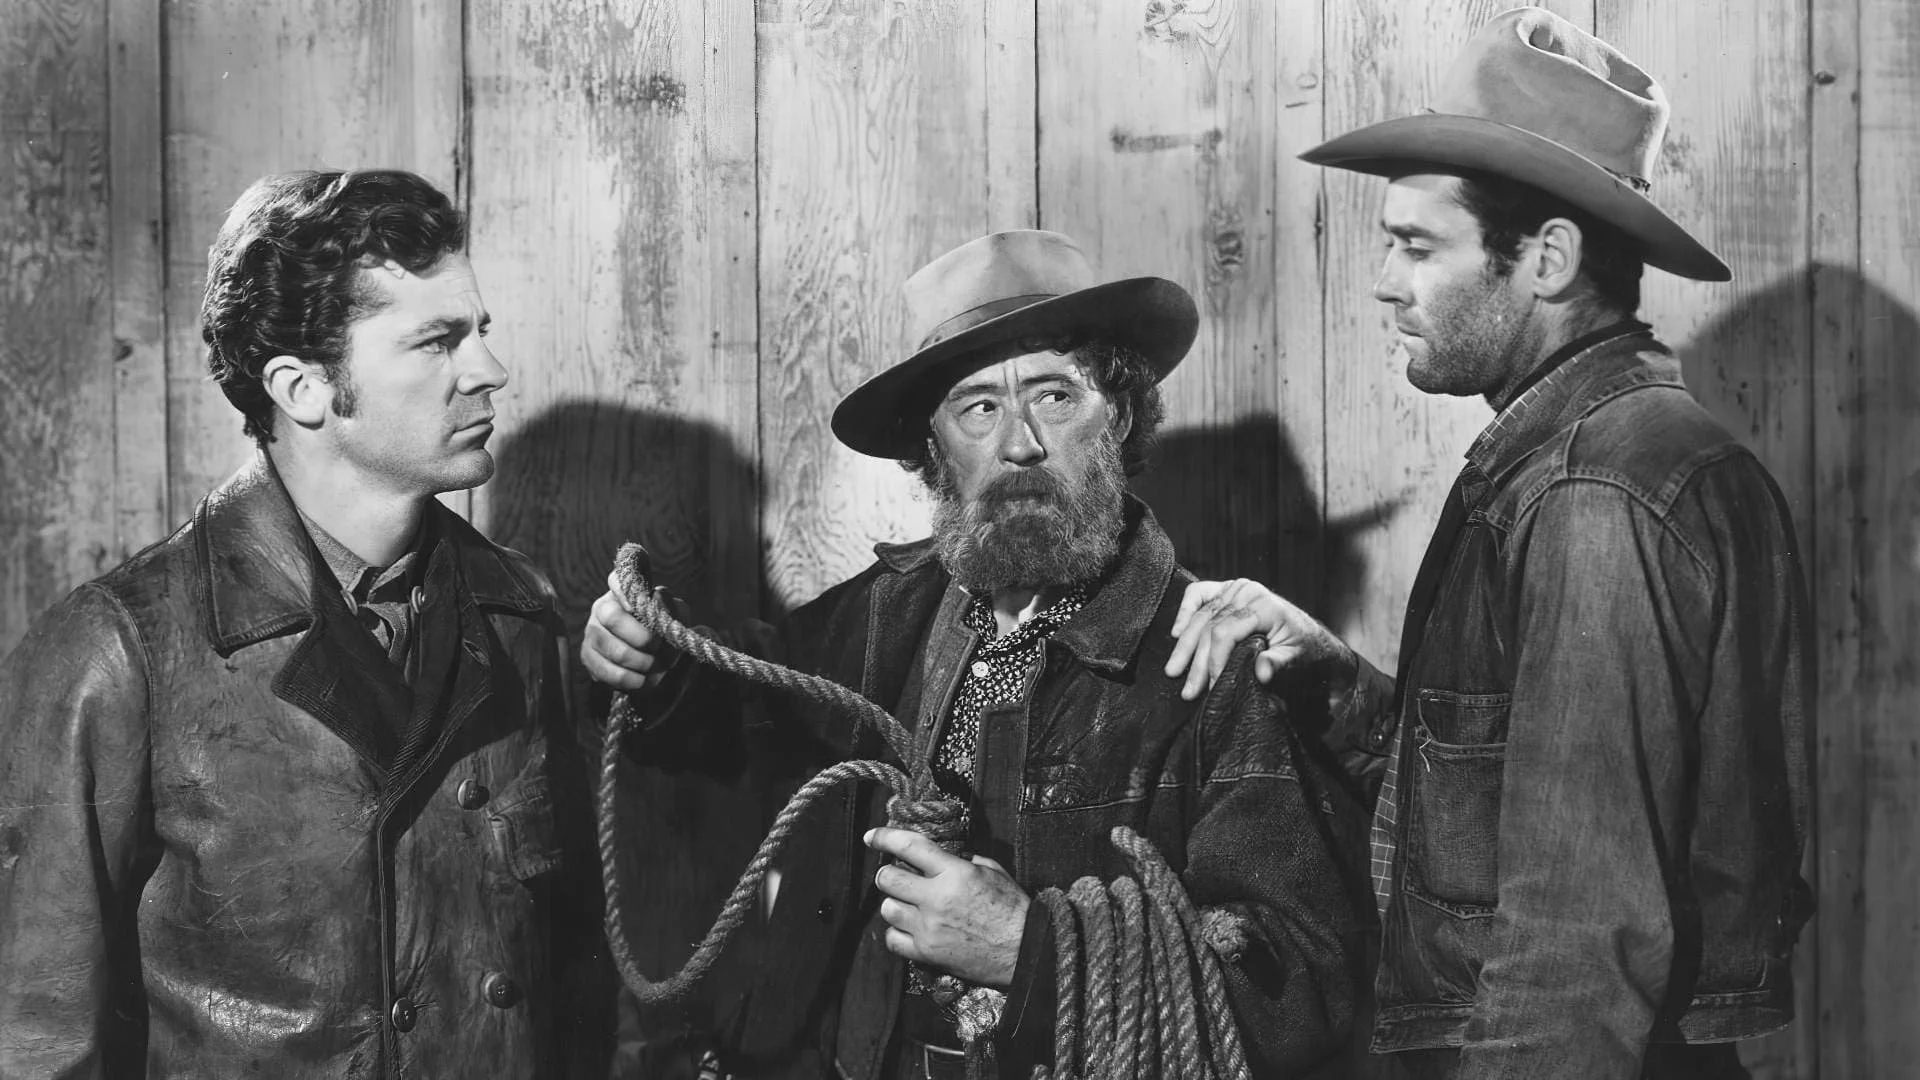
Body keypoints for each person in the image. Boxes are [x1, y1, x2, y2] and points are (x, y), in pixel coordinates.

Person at [1165, 9, 1813, 1078]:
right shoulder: (1594, 457)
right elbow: (1516, 797)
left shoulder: (1593, 492)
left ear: (1547, 259)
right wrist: (1336, 684)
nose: (1386, 281)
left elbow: (1577, 940)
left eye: (1418, 246)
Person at [583, 230, 1366, 1078]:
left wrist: (1027, 950)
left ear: (1119, 415)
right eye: (979, 408)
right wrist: (650, 664)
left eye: (1055, 396)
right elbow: (745, 708)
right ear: (934, 448)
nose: (1020, 442)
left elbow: (1301, 991)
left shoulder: (1216, 661)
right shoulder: (883, 614)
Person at [0, 169, 609, 1077]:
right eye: (437, 341)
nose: (489, 370)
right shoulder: (116, 651)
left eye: (479, 331)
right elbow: (35, 1041)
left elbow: (580, 976)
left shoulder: (522, 614)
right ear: (302, 388)